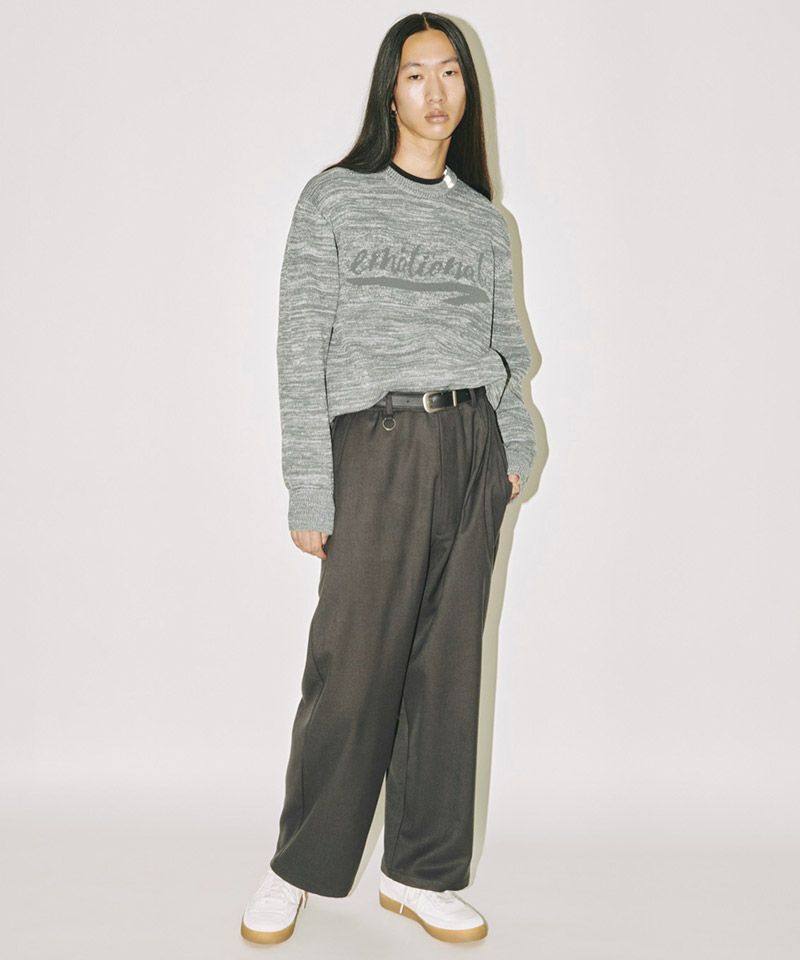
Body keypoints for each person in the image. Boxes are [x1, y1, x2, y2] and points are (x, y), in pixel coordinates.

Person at [241, 11, 537, 945]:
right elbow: (301, 347)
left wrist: (514, 451)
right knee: (352, 667)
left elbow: (507, 348)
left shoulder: (483, 221)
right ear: (390, 91)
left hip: (472, 447)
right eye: (417, 74)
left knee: (448, 670)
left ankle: (421, 872)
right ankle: (297, 866)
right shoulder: (334, 200)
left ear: (466, 92)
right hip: (374, 444)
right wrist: (309, 484)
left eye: (451, 73)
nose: (436, 91)